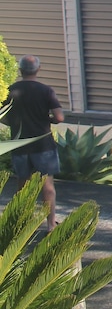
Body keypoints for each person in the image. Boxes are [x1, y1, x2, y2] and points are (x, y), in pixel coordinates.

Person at [2, 55, 64, 230]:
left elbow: (3, 115)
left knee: (22, 185)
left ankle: (19, 224)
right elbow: (59, 117)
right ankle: (51, 225)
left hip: (19, 144)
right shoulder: (46, 91)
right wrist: (47, 119)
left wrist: (14, 123)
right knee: (47, 186)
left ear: (20, 70)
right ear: (38, 69)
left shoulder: (11, 90)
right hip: (43, 145)